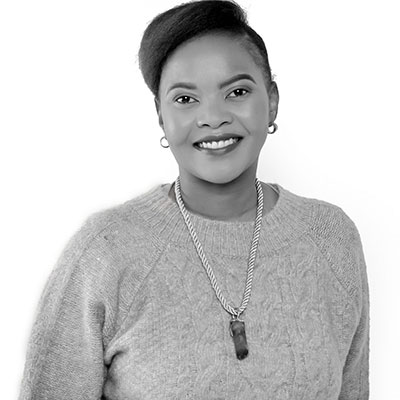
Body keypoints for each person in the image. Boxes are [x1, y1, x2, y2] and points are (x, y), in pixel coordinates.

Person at [18, 1, 369, 399]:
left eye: (237, 92)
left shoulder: (331, 239)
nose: (213, 118)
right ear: (161, 115)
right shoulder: (105, 251)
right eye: (185, 99)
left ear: (271, 100)